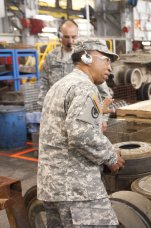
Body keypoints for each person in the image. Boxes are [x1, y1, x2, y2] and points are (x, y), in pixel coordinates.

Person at [37, 39, 125, 227]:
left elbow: (63, 127)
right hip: (78, 190)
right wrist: (110, 156)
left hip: (52, 187)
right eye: (106, 60)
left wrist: (97, 117)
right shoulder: (85, 88)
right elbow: (80, 134)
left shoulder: (60, 85)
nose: (110, 68)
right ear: (86, 58)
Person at [37, 20, 113, 129]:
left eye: (74, 37)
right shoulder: (52, 57)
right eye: (67, 37)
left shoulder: (85, 58)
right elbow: (44, 83)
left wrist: (102, 119)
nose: (71, 41)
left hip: (80, 115)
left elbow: (103, 93)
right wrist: (42, 109)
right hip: (56, 115)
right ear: (60, 36)